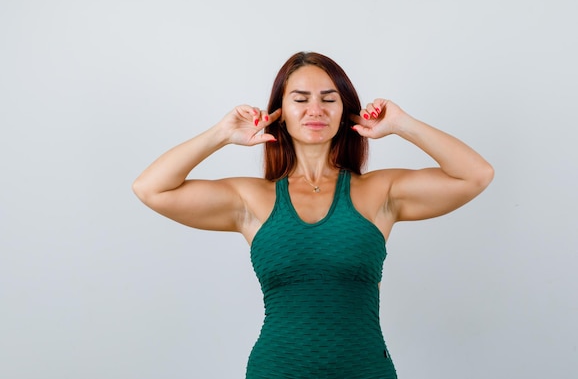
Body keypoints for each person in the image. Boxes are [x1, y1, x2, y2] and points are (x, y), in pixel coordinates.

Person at [132, 51, 494, 378]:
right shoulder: (250, 199)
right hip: (275, 371)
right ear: (280, 113)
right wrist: (221, 134)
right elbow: (151, 188)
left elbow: (475, 175)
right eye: (300, 99)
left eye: (329, 99)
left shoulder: (379, 192)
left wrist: (402, 124)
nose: (315, 110)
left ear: (345, 111)